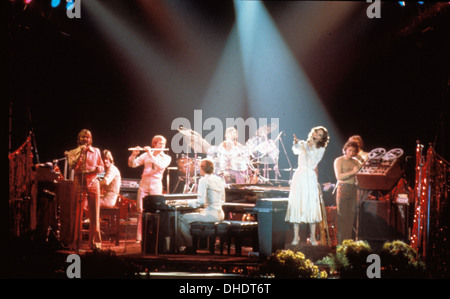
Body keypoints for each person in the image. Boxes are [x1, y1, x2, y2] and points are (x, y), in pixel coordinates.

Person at [285, 126, 329, 246]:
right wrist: (296, 143)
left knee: (311, 204)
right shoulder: (304, 143)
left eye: (320, 135)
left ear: (322, 138)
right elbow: (295, 150)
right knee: (297, 203)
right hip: (299, 175)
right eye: (316, 133)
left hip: (310, 176)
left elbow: (313, 161)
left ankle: (313, 237)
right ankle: (296, 236)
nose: (317, 136)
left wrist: (310, 146)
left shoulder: (321, 149)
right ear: (312, 133)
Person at [65, 129, 104, 250]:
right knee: (76, 213)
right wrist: (80, 153)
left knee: (94, 213)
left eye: (87, 137)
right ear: (78, 139)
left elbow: (102, 167)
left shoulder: (96, 151)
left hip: (93, 181)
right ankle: (74, 243)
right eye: (83, 137)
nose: (85, 139)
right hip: (79, 181)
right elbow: (72, 166)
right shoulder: (72, 152)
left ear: (91, 139)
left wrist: (98, 169)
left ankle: (95, 243)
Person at [128, 135, 171, 243]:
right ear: (154, 144)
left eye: (163, 144)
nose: (162, 146)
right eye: (160, 144)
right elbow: (132, 164)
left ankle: (155, 236)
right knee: (140, 210)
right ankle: (139, 237)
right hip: (144, 183)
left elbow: (160, 166)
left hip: (156, 183)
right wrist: (134, 155)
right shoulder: (146, 155)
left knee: (155, 211)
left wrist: (151, 154)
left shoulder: (166, 157)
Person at [178, 159, 226, 253]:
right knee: (194, 215)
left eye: (199, 167)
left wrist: (187, 202)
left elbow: (200, 202)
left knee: (181, 218)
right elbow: (223, 200)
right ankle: (192, 245)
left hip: (211, 215)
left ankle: (189, 246)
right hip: (220, 214)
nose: (198, 169)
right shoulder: (220, 180)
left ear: (203, 168)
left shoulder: (203, 180)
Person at [333, 140, 362, 244]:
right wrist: (353, 172)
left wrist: (360, 164)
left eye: (354, 151)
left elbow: (362, 174)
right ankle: (340, 245)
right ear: (345, 149)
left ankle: (348, 244)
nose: (351, 153)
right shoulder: (339, 160)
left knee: (350, 218)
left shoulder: (356, 162)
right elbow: (339, 176)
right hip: (343, 188)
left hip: (353, 189)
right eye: (350, 150)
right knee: (342, 218)